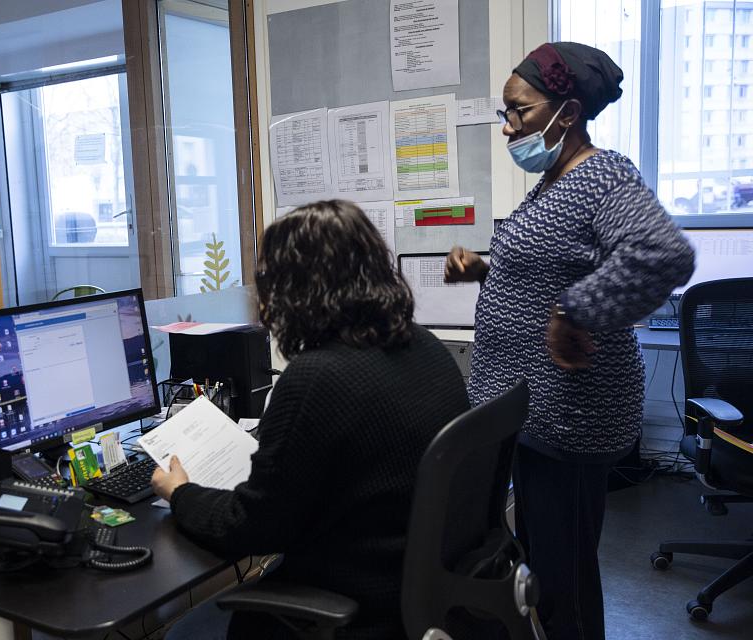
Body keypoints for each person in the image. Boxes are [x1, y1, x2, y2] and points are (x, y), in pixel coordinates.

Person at [445, 42, 695, 640]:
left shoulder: (602, 176)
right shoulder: (554, 183)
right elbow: (559, 264)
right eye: (505, 112)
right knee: (540, 568)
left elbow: (664, 254)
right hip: (532, 410)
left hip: (571, 414)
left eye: (519, 111)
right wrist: (486, 267)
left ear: (568, 111)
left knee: (565, 580)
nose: (508, 127)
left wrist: (574, 311)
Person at [152, 199, 470, 639]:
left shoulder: (317, 379)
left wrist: (181, 492)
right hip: (422, 593)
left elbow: (249, 528)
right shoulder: (425, 347)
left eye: (266, 280)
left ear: (296, 289)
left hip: (354, 606)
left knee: (182, 633)